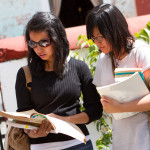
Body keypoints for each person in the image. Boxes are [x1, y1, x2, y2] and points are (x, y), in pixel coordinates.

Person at [15, 12, 103, 150]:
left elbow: (95, 110)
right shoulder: (25, 74)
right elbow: (23, 116)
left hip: (79, 144)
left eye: (44, 42)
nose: (38, 48)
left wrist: (64, 120)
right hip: (42, 147)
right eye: (33, 43)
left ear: (57, 39)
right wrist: (31, 133)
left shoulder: (79, 67)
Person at [86, 3, 150, 150]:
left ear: (116, 28)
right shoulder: (103, 59)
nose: (97, 42)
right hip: (121, 140)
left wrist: (121, 107)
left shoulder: (141, 53)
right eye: (93, 38)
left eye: (101, 36)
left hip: (145, 137)